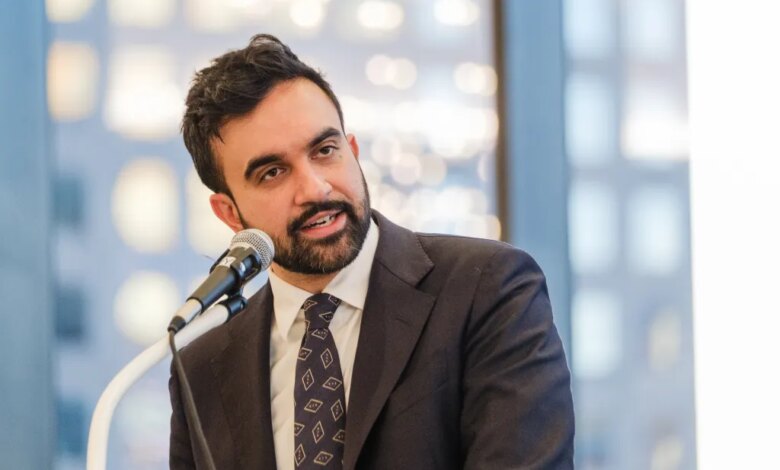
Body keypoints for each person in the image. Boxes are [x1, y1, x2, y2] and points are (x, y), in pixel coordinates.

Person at [169, 34, 574, 470]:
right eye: (272, 173)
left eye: (325, 151)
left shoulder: (488, 289)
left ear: (353, 152)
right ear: (229, 213)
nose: (315, 188)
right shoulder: (201, 368)